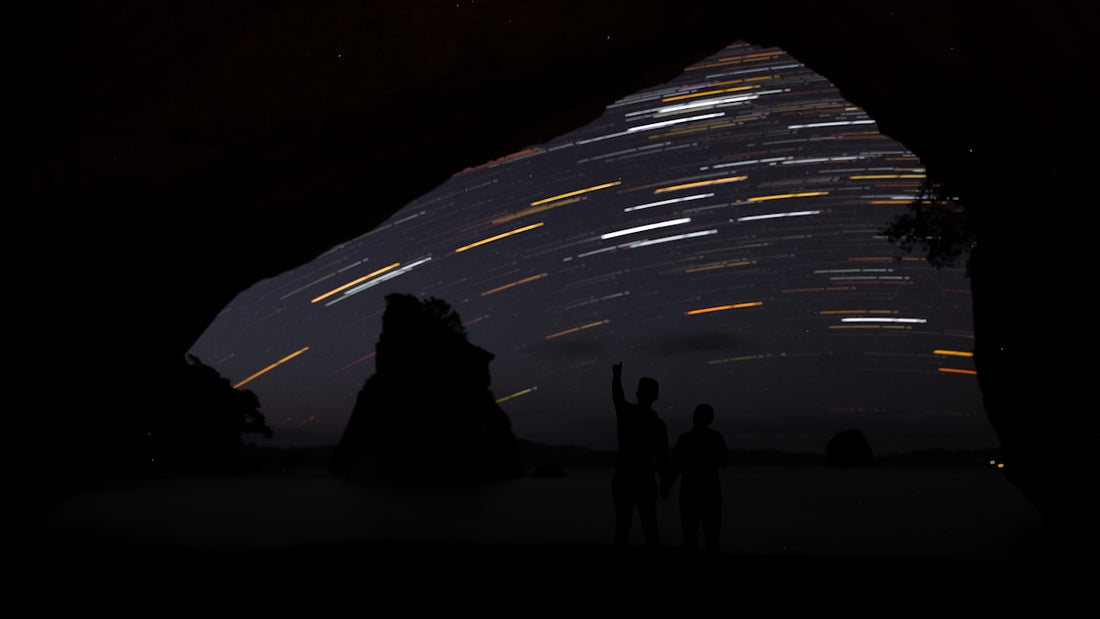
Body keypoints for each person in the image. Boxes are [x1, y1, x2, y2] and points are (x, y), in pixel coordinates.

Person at [610, 361, 668, 550]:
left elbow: (617, 398)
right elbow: (661, 457)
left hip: (625, 476)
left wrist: (617, 376)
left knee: (623, 525)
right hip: (644, 477)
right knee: (649, 523)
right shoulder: (658, 423)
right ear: (656, 396)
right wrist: (665, 482)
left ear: (638, 394)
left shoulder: (627, 413)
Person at [661, 403, 728, 560]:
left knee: (692, 538)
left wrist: (667, 485)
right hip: (709, 493)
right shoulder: (715, 437)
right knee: (710, 538)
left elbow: (675, 467)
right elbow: (724, 461)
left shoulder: (686, 439)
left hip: (691, 493)